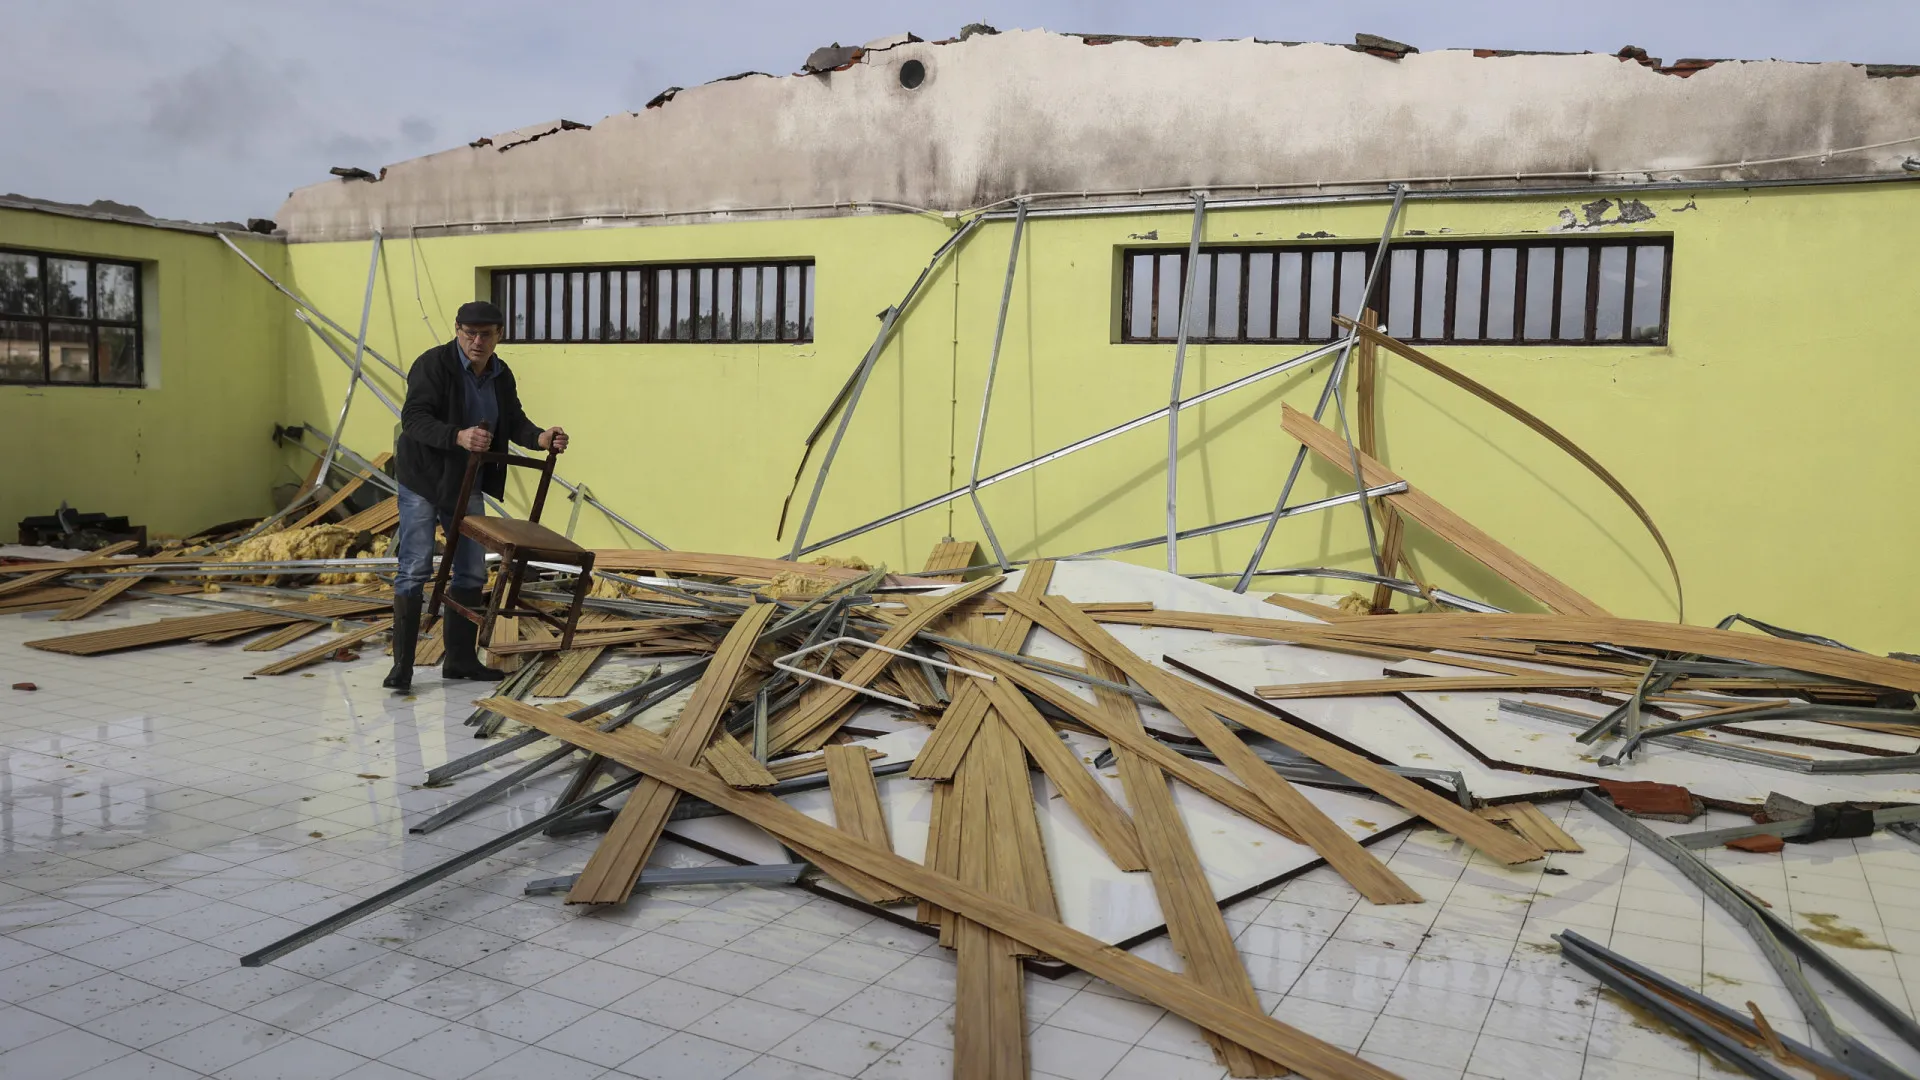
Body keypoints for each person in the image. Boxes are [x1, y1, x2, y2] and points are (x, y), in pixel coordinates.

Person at [383, 301, 568, 693]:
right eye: (469, 333)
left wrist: (541, 439)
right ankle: (402, 667)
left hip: (465, 482)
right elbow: (413, 418)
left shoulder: (501, 375)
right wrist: (458, 436)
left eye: (485, 334)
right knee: (416, 566)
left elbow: (514, 420)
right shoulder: (433, 364)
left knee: (470, 569)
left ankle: (461, 661)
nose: (476, 341)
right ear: (457, 330)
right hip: (423, 478)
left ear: (500, 335)